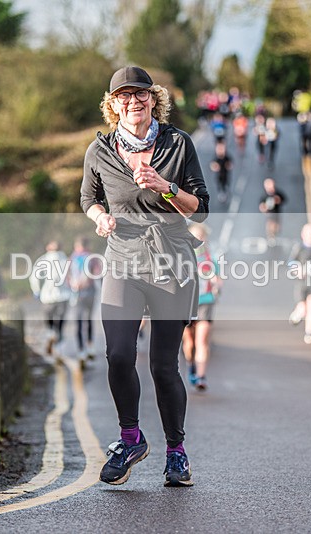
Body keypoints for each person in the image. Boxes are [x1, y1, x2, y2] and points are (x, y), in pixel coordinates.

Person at [80, 66, 210, 487]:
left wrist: (164, 186)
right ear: (113, 105)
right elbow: (88, 197)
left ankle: (176, 452)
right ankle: (131, 438)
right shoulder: (99, 152)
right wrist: (100, 216)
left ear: (154, 99)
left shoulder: (177, 143)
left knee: (163, 365)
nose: (133, 102)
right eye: (124, 96)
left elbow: (201, 208)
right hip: (123, 258)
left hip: (171, 259)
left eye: (141, 95)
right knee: (118, 354)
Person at [181, 223, 220, 391]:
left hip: (205, 301)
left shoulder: (211, 260)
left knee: (202, 340)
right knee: (189, 342)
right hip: (185, 304)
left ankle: (201, 376)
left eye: (201, 237)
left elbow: (218, 281)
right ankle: (191, 364)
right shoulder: (181, 258)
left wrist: (215, 282)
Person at [30, 240, 71, 355]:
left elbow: (34, 277)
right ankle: (59, 343)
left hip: (48, 296)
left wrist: (36, 290)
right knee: (61, 321)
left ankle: (51, 335)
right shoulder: (66, 259)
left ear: (48, 248)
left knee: (49, 319)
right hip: (63, 295)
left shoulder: (43, 260)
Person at [288, 223, 311, 344]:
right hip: (301, 283)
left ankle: (309, 333)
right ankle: (296, 315)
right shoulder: (299, 248)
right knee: (303, 308)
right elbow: (291, 263)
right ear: (303, 235)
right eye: (308, 233)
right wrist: (297, 270)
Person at [68, 236, 100, 367]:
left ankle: (81, 350)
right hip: (90, 292)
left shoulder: (72, 258)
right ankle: (90, 346)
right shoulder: (92, 257)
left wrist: (73, 284)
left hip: (77, 294)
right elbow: (97, 273)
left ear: (77, 246)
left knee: (79, 321)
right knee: (88, 319)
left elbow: (66, 275)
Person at [258, 178, 286, 245]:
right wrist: (264, 208)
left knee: (277, 226)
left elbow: (284, 199)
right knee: (270, 225)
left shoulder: (277, 193)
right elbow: (261, 206)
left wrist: (278, 200)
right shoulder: (264, 196)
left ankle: (274, 234)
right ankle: (270, 236)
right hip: (269, 214)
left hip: (277, 213)